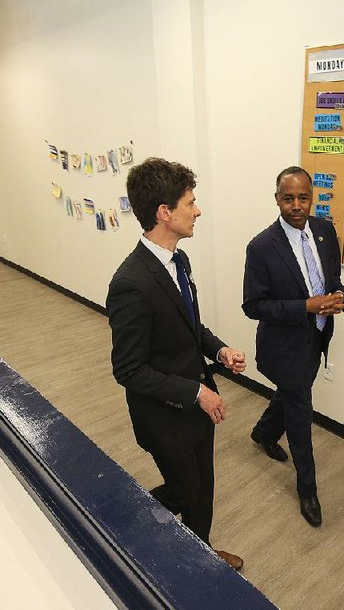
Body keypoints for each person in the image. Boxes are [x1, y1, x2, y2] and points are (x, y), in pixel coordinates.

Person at [106, 157, 246, 570]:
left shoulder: (178, 261)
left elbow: (189, 326)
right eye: (191, 202)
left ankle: (200, 557)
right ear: (164, 213)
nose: (198, 210)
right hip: (165, 417)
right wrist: (195, 392)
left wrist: (219, 351)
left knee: (204, 490)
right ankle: (131, 515)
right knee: (185, 492)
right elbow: (128, 369)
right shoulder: (131, 283)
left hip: (198, 407)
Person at [243, 166, 344, 527]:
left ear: (311, 198)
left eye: (303, 197)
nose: (297, 205)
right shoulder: (261, 247)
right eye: (288, 198)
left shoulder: (324, 230)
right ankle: (308, 490)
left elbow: (333, 277)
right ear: (277, 200)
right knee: (300, 417)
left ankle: (263, 433)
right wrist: (308, 306)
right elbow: (253, 306)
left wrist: (338, 297)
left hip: (317, 337)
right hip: (284, 347)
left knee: (292, 394)